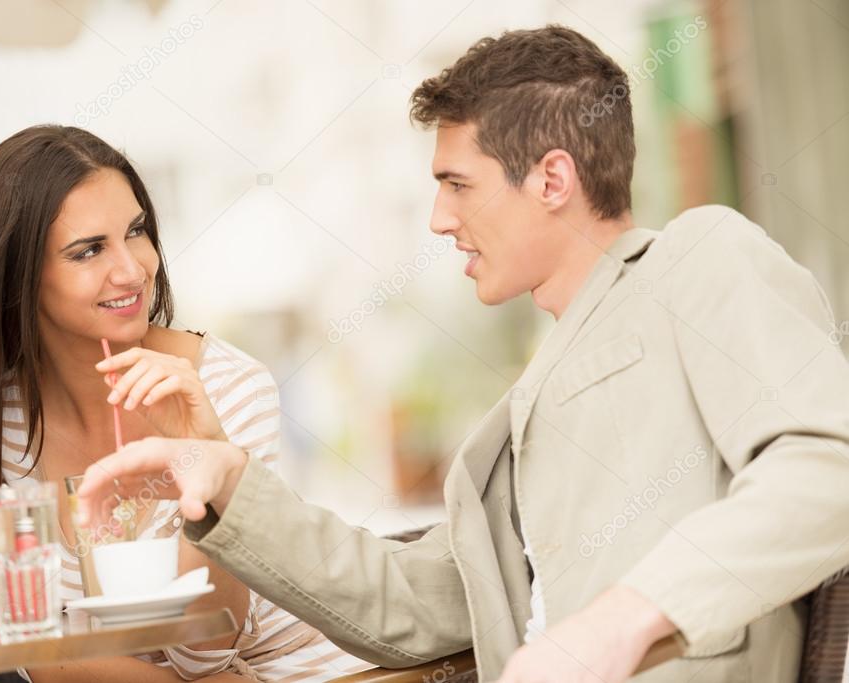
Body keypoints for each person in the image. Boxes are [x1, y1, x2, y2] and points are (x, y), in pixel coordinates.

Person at [74, 25, 849, 683]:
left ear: (551, 178)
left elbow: (829, 466)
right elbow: (412, 601)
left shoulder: (698, 257)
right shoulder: (520, 414)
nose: (440, 218)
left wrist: (621, 621)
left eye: (457, 183)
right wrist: (230, 481)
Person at [0, 125, 373, 683]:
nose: (132, 270)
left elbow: (210, 645)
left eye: (136, 232)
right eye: (89, 250)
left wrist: (206, 455)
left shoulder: (226, 386)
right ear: (18, 277)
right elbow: (33, 645)